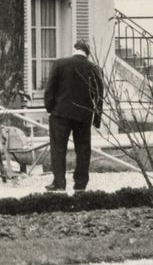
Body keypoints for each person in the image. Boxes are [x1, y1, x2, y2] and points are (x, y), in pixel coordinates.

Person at [42, 40, 104, 192]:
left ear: (75, 49)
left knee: (58, 149)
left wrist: (50, 108)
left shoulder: (60, 64)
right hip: (83, 115)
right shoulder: (94, 68)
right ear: (87, 53)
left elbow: (49, 89)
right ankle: (81, 184)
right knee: (83, 150)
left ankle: (59, 182)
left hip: (60, 114)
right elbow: (99, 94)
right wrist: (96, 118)